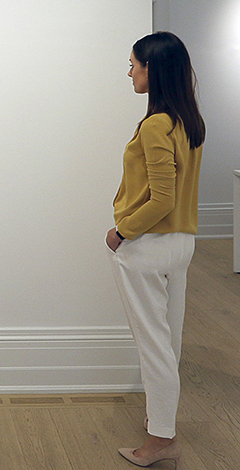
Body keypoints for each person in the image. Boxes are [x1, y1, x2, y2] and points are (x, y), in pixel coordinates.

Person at [106, 31, 205, 469]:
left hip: (148, 246)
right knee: (170, 342)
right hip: (181, 244)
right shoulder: (188, 121)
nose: (129, 71)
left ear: (153, 69)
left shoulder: (155, 124)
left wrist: (122, 231)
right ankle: (162, 428)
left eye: (133, 64)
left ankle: (160, 440)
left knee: (154, 347)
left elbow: (161, 198)